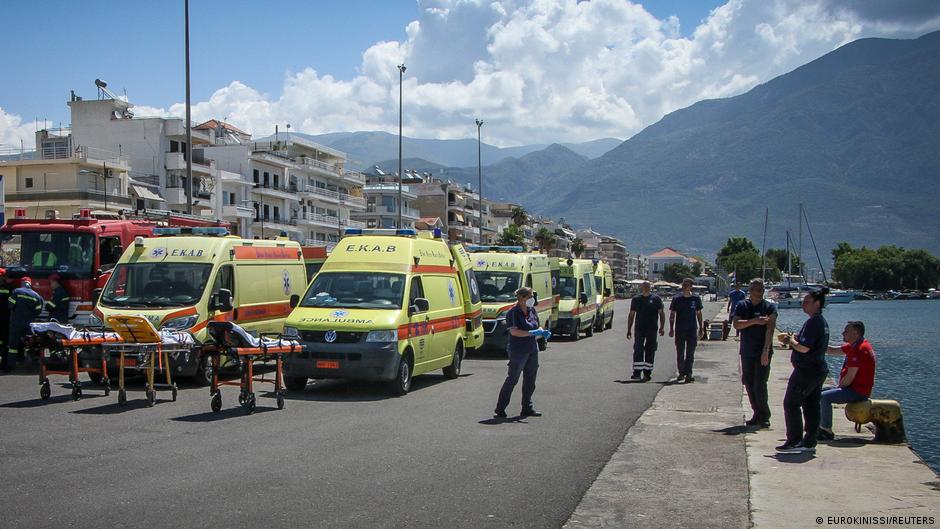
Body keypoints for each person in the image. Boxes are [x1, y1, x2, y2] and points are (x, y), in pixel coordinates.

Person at [776, 288, 830, 453]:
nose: (803, 305)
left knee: (791, 403)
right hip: (817, 369)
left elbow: (804, 348)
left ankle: (794, 440)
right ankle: (809, 440)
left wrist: (791, 341)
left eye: (807, 302)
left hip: (807, 370)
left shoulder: (814, 322)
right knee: (811, 405)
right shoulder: (820, 321)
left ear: (817, 303)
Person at [817, 321, 876, 441]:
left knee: (824, 397)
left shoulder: (859, 349)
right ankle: (818, 426)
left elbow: (849, 378)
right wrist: (815, 345)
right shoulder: (856, 345)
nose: (842, 333)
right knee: (816, 392)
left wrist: (838, 388)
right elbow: (833, 350)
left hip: (857, 391)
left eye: (846, 331)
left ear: (855, 333)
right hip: (855, 388)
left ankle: (826, 430)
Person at [494, 287, 547, 418]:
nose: (532, 299)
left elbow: (537, 325)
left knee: (530, 380)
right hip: (518, 350)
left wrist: (542, 331)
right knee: (513, 379)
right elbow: (514, 331)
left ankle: (527, 407)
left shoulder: (532, 310)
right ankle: (500, 408)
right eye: (529, 297)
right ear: (522, 298)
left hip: (532, 349)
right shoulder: (513, 312)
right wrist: (530, 333)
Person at [732, 278, 777, 428]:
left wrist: (766, 351)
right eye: (755, 289)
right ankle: (757, 413)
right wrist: (754, 321)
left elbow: (770, 329)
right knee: (748, 383)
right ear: (749, 291)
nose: (758, 292)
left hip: (762, 351)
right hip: (747, 351)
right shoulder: (742, 306)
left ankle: (764, 415)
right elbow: (737, 324)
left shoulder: (769, 307)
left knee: (760, 384)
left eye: (760, 289)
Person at [626, 280, 665, 381]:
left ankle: (647, 373)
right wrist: (629, 329)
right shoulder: (636, 299)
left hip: (652, 329)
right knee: (638, 349)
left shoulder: (656, 299)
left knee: (650, 350)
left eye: (648, 286)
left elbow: (661, 313)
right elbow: (631, 314)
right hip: (639, 328)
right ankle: (637, 372)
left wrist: (662, 327)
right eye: (644, 286)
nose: (646, 288)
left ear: (650, 287)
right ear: (641, 288)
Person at [669, 277, 703, 383]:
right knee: (680, 352)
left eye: (687, 285)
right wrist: (671, 328)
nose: (685, 287)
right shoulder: (677, 298)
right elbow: (672, 314)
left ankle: (689, 373)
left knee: (690, 352)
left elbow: (699, 313)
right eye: (684, 285)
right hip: (680, 329)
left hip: (692, 329)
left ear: (691, 286)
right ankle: (681, 372)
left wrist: (701, 327)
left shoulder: (696, 298)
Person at [7, 276, 44, 371]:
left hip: (16, 322)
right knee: (31, 343)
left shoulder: (16, 292)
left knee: (13, 345)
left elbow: (10, 305)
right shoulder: (36, 296)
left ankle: (11, 366)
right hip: (29, 324)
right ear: (30, 284)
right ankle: (32, 365)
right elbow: (38, 311)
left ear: (22, 283)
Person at [0, 269, 13, 373]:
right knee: (4, 342)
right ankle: (4, 364)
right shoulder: (9, 288)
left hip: (4, 318)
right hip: (5, 318)